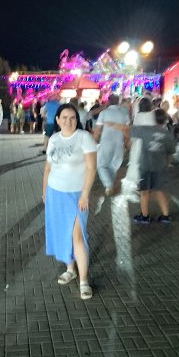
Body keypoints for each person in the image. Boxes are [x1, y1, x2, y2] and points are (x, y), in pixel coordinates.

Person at [42, 103, 97, 300]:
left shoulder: (84, 138)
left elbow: (91, 168)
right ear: (57, 120)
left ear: (77, 119)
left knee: (77, 237)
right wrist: (44, 192)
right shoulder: (54, 139)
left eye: (72, 117)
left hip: (76, 195)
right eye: (64, 117)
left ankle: (84, 280)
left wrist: (85, 194)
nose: (68, 121)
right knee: (63, 233)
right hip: (55, 193)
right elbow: (48, 168)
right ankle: (70, 269)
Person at [130, 108, 176, 223]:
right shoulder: (167, 134)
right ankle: (165, 216)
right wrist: (166, 164)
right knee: (159, 190)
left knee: (144, 191)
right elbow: (170, 152)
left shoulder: (144, 129)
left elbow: (128, 130)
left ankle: (144, 216)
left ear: (152, 118)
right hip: (159, 166)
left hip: (145, 165)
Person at [94, 94, 130, 195]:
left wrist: (94, 141)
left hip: (106, 142)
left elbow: (97, 130)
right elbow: (127, 130)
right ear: (118, 102)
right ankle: (109, 185)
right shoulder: (124, 114)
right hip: (119, 143)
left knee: (101, 165)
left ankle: (108, 185)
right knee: (114, 165)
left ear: (108, 102)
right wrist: (126, 142)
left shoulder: (104, 113)